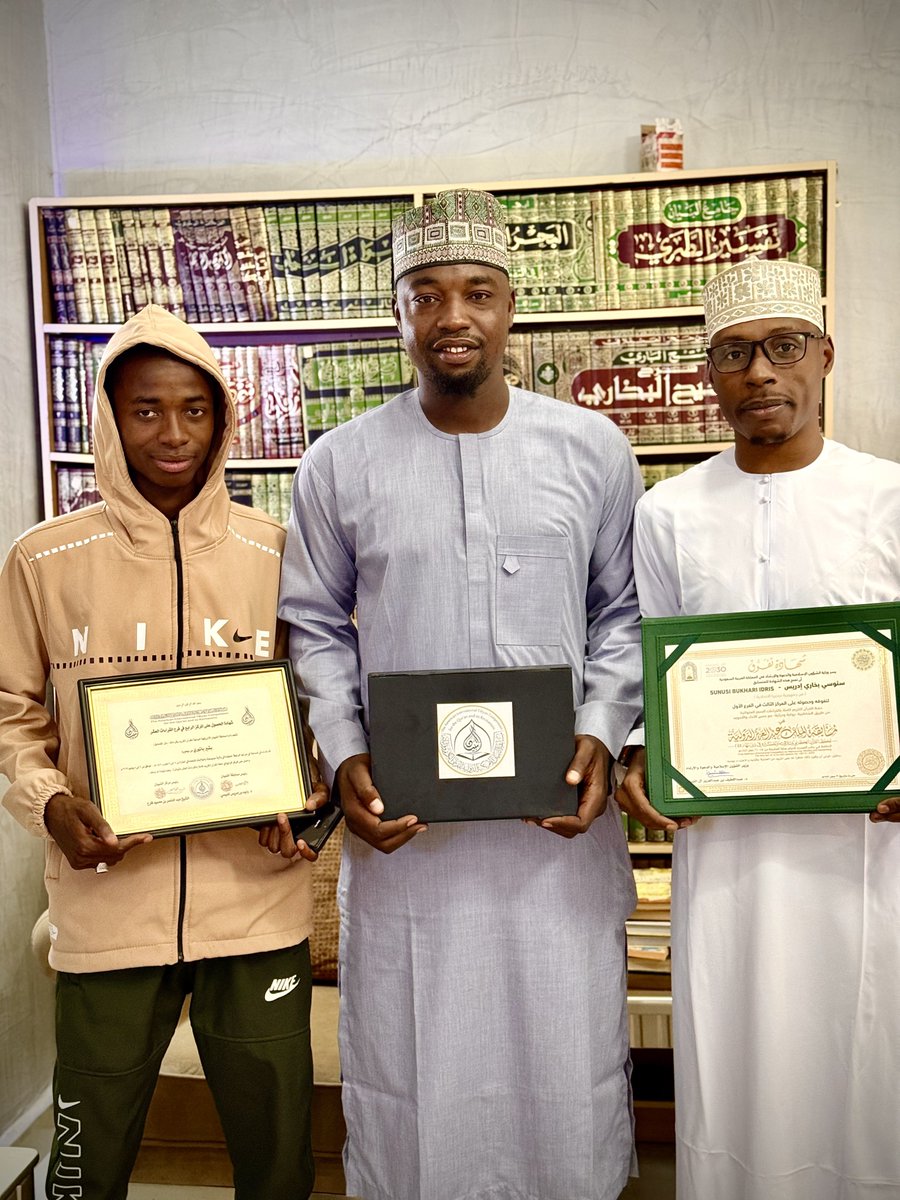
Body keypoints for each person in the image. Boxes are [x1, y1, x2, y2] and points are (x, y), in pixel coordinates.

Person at [278, 189, 645, 1200]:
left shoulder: (592, 450)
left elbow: (623, 614)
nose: (452, 317)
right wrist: (348, 752)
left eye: (476, 292)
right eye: (426, 294)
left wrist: (601, 735)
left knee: (564, 1071)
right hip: (411, 846)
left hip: (553, 841)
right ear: (397, 313)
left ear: (510, 305)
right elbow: (312, 626)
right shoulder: (337, 464)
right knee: (414, 1072)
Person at [0, 303, 326, 1199]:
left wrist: (310, 798)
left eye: (194, 408)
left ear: (223, 418)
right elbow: (12, 714)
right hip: (109, 908)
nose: (172, 433)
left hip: (255, 908)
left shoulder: (281, 554)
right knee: (84, 1162)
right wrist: (47, 803)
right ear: (108, 415)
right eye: (145, 409)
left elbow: (327, 707)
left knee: (276, 1159)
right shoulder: (43, 559)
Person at [617, 257, 900, 1200]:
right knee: (734, 1052)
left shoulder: (887, 499)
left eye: (784, 348)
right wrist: (639, 759)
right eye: (734, 354)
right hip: (726, 856)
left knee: (866, 1062)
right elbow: (649, 673)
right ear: (707, 374)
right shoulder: (667, 515)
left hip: (865, 855)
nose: (760, 374)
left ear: (826, 357)